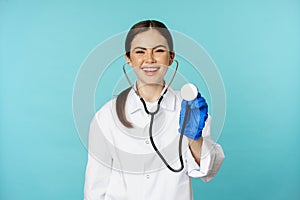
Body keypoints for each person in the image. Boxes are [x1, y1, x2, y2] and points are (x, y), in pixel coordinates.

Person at [84, 20, 225, 200]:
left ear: (171, 57)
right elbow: (95, 188)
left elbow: (206, 170)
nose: (149, 59)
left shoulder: (190, 109)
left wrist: (194, 137)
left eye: (158, 51)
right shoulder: (106, 116)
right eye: (140, 52)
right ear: (128, 58)